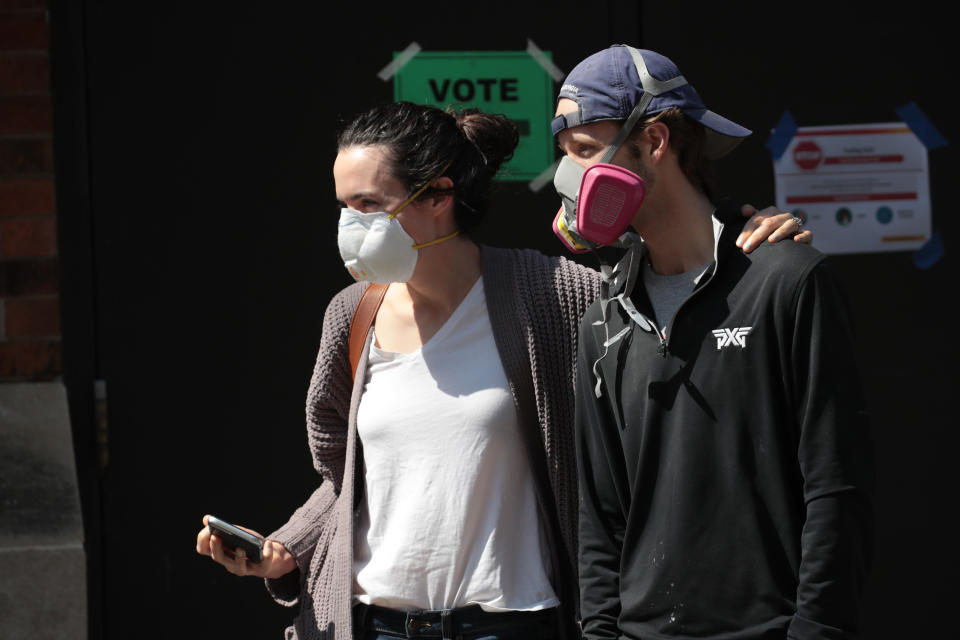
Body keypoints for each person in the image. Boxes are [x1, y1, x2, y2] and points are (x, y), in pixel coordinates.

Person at [195, 99, 810, 640]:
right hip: (375, 621)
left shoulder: (552, 295)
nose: (350, 227)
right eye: (343, 206)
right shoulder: (351, 314)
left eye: (368, 204)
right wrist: (286, 549)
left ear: (438, 196)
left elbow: (669, 281)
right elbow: (342, 479)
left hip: (509, 621)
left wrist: (737, 235)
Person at [554, 45, 875, 639]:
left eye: (583, 151)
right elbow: (601, 518)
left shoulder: (787, 281)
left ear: (653, 140)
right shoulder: (604, 315)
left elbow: (836, 489)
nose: (568, 178)